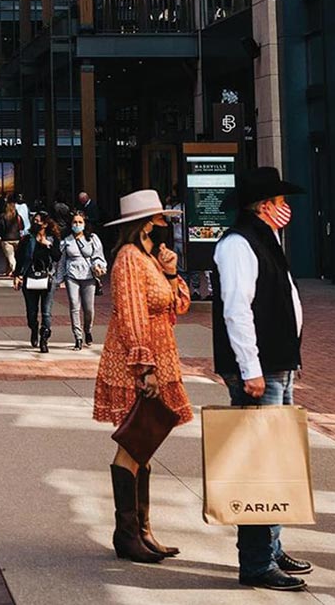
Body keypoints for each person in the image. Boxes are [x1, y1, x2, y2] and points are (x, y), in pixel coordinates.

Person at [212, 167, 311, 592]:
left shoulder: (265, 239)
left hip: (278, 366)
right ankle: (255, 561)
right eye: (280, 202)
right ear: (265, 205)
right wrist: (250, 368)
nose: (287, 208)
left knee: (277, 462)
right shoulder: (238, 244)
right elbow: (237, 308)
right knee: (259, 467)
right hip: (262, 370)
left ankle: (271, 546)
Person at [94, 189, 191, 563]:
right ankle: (127, 533)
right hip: (138, 361)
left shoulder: (150, 258)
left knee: (145, 444)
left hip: (160, 354)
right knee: (133, 443)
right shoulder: (129, 259)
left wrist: (171, 271)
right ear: (147, 223)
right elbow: (132, 315)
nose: (166, 225)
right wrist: (144, 367)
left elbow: (178, 303)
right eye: (161, 219)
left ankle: (143, 531)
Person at [56, 211, 107, 349]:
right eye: (75, 222)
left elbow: (99, 255)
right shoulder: (66, 240)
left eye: (80, 222)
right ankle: (77, 337)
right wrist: (58, 278)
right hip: (71, 274)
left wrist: (99, 266)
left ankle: (88, 330)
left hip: (88, 275)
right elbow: (61, 261)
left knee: (88, 308)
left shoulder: (92, 239)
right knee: (74, 305)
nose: (77, 225)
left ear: (85, 224)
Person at [13, 211, 61, 352]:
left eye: (39, 221)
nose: (36, 223)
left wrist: (48, 245)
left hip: (47, 279)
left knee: (46, 312)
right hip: (30, 278)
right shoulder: (28, 239)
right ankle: (34, 328)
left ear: (45, 224)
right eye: (34, 220)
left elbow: (58, 257)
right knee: (31, 312)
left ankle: (44, 338)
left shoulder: (53, 239)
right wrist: (17, 275)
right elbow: (20, 258)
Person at [0, 195, 22, 275]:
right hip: (17, 238)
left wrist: (0, 235)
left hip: (6, 239)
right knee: (16, 256)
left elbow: (1, 228)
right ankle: (10, 270)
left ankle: (15, 270)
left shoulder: (3, 216)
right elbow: (22, 226)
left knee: (10, 256)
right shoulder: (18, 217)